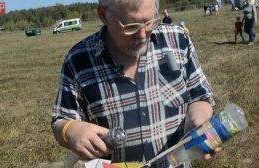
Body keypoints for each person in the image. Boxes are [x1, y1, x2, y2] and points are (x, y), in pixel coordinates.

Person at [51, 0, 220, 167]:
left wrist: (199, 118)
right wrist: (70, 131)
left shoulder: (177, 40)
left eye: (148, 22)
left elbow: (200, 94)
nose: (141, 35)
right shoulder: (79, 60)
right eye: (130, 26)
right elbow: (61, 120)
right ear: (103, 15)